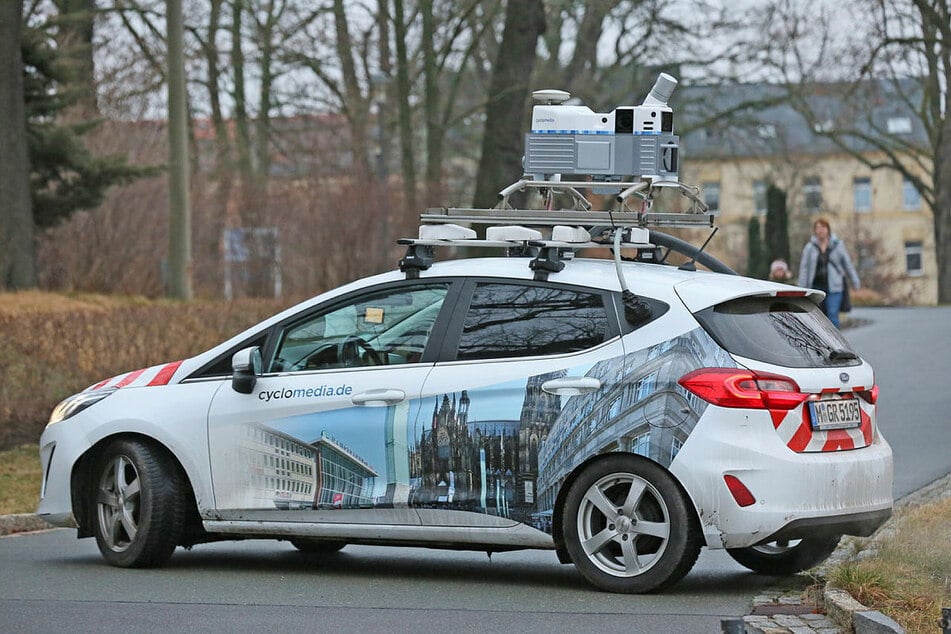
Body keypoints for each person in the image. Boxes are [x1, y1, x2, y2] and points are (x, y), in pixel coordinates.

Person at [797, 217, 861, 327]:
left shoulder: (838, 245)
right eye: (817, 228)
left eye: (823, 227)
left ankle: (835, 343)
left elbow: (847, 264)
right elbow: (804, 269)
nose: (820, 230)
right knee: (819, 317)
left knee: (832, 315)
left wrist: (855, 282)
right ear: (814, 231)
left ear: (828, 229)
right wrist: (801, 288)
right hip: (816, 287)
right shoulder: (809, 248)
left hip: (835, 287)